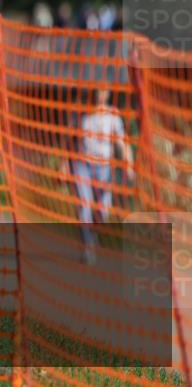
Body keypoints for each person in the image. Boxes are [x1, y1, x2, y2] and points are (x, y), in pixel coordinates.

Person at [63, 88, 135, 265]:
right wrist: (64, 165)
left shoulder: (113, 116)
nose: (99, 95)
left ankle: (91, 238)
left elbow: (122, 142)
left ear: (108, 93)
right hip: (82, 165)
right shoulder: (81, 113)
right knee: (84, 206)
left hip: (104, 168)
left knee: (102, 211)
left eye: (103, 91)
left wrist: (129, 165)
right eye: (97, 90)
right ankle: (88, 247)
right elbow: (70, 141)